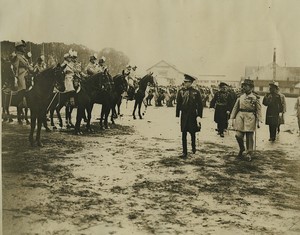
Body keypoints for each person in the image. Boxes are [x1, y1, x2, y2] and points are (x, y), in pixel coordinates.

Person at [230, 79, 261, 161]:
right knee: (238, 135)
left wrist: (259, 119)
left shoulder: (255, 97)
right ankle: (242, 148)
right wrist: (231, 118)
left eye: (246, 86)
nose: (244, 87)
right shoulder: (240, 97)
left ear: (251, 88)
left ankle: (249, 153)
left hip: (250, 117)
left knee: (249, 136)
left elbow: (258, 109)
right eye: (243, 86)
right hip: (240, 116)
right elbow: (235, 108)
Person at [176, 74, 203, 158]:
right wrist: (177, 114)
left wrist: (199, 115)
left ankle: (193, 148)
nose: (185, 83)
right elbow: (178, 103)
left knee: (192, 133)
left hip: (192, 116)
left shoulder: (196, 92)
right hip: (184, 115)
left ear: (191, 83)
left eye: (187, 82)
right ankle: (184, 151)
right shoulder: (180, 91)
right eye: (184, 82)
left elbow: (200, 105)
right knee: (184, 133)